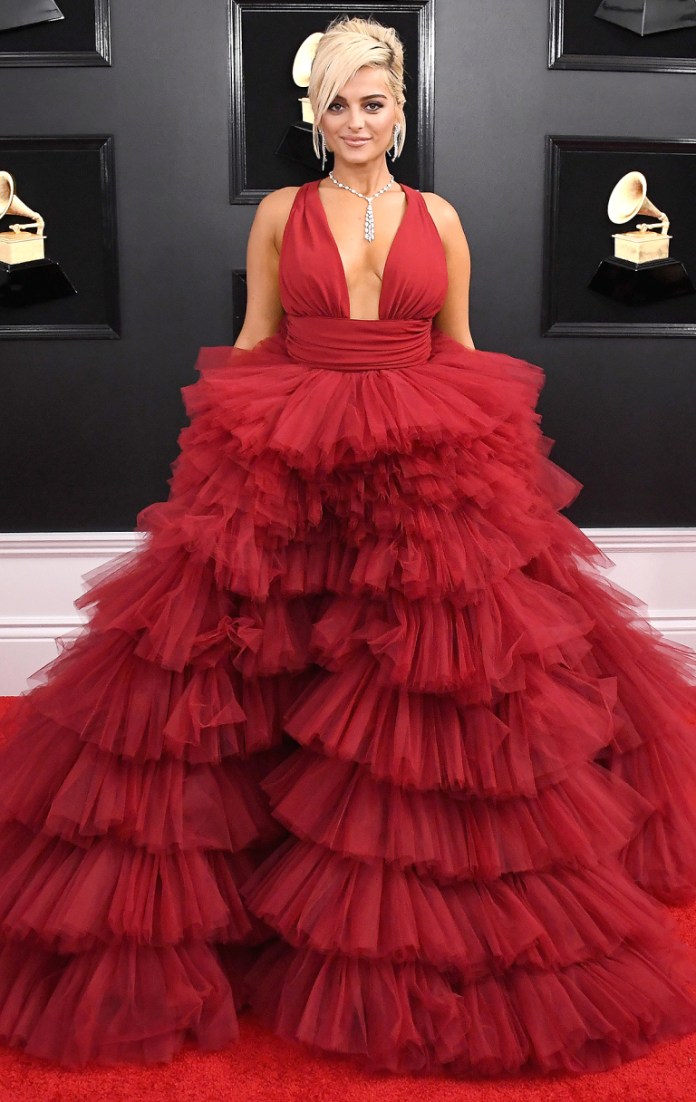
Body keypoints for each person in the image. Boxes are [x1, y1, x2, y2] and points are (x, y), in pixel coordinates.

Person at [1, 13, 696, 1079]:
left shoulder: (442, 217)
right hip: (297, 437)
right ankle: (257, 896)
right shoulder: (282, 213)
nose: (356, 120)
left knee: (423, 681)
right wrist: (223, 445)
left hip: (421, 452)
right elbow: (255, 337)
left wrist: (495, 464)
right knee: (255, 662)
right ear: (312, 115)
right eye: (337, 103)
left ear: (400, 112)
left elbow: (461, 344)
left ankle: (419, 904)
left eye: (374, 102)